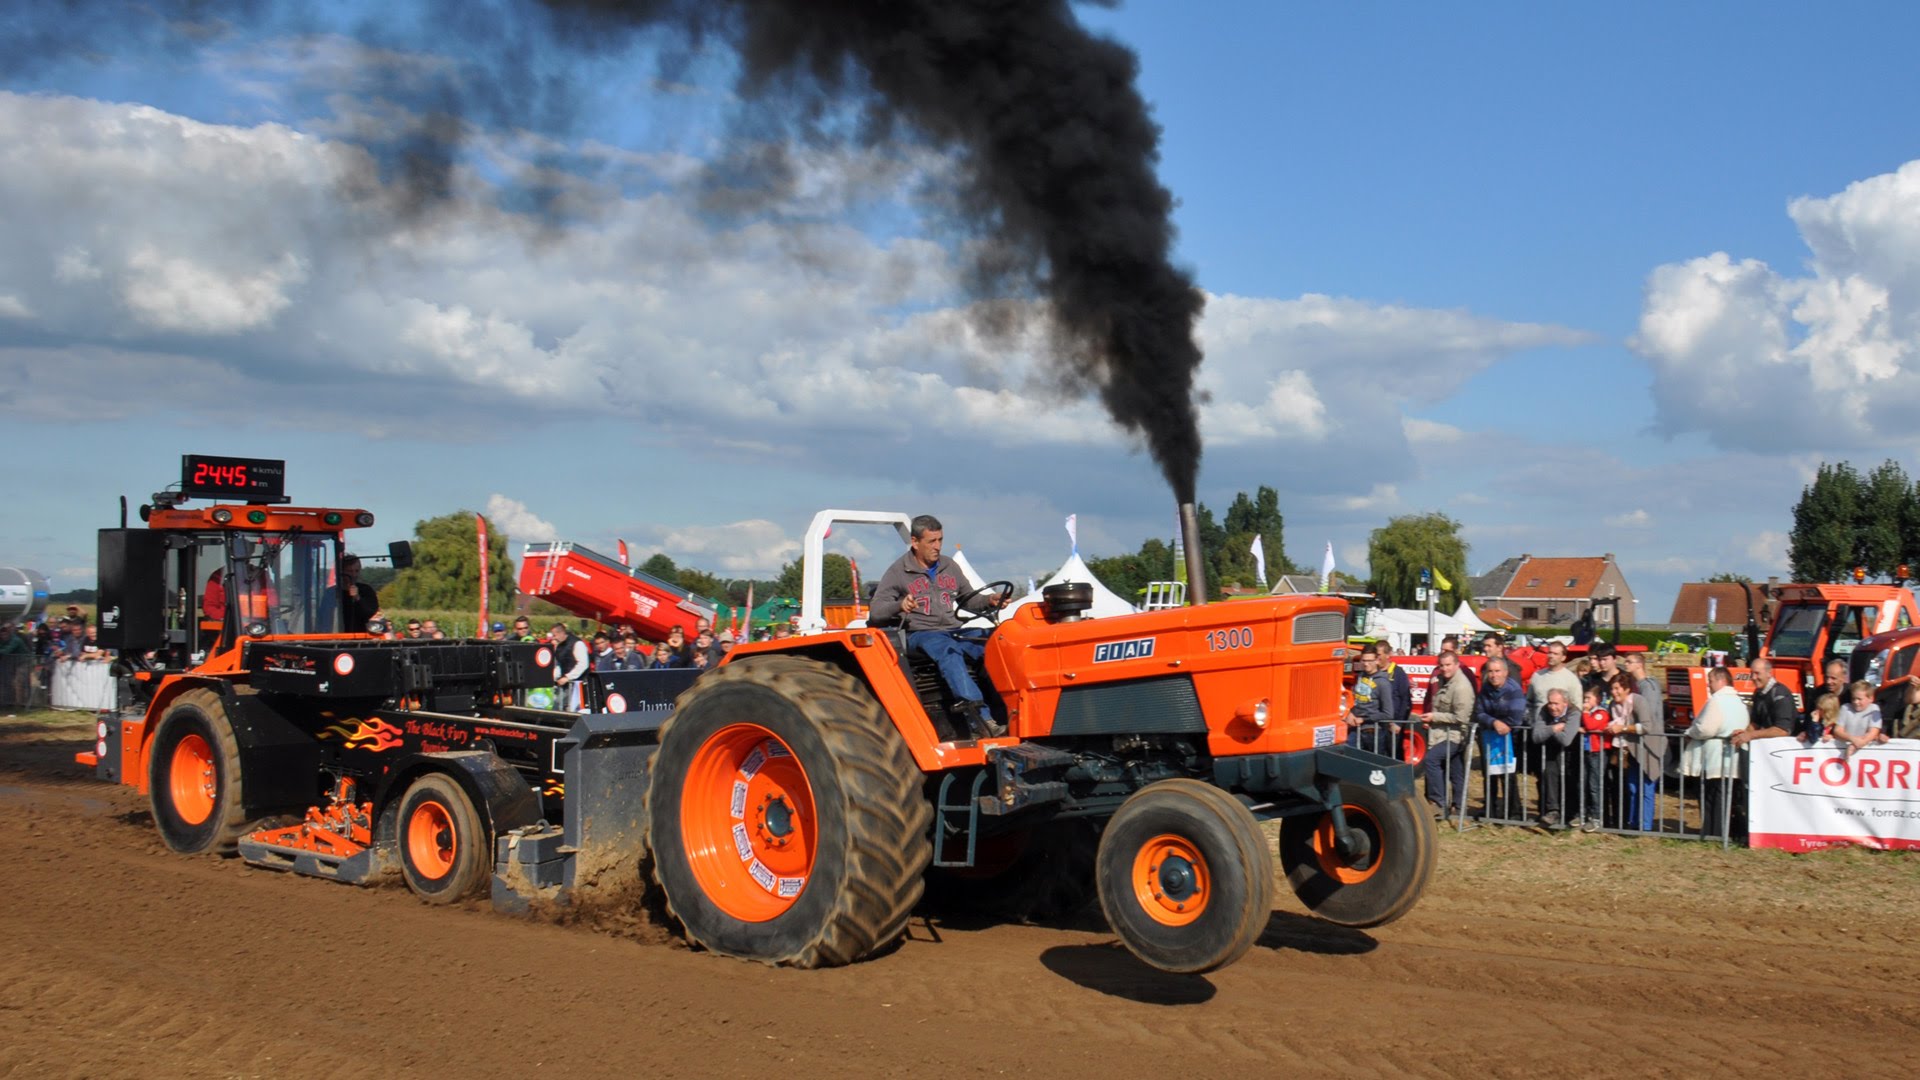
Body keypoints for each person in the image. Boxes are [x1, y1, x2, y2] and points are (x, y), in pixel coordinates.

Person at [869, 514, 1007, 739]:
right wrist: (899, 605)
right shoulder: (898, 571)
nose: (938, 546)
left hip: (953, 630)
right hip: (919, 634)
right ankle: (980, 719)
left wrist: (990, 599)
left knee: (994, 641)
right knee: (947, 648)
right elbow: (876, 612)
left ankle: (1008, 708)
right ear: (915, 542)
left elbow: (969, 600)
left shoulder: (949, 566)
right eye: (931, 541)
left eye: (940, 540)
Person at [1684, 666, 1749, 838]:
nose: (1708, 685)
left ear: (1721, 681)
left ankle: (1713, 832)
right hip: (1733, 758)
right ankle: (1720, 832)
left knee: (1712, 797)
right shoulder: (1739, 702)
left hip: (1715, 759)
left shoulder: (1716, 701)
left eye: (1711, 681)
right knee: (1725, 798)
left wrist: (1690, 732)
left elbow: (1706, 728)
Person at [1607, 671, 1663, 830]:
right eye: (1612, 688)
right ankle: (1632, 823)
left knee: (1647, 788)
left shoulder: (1638, 701)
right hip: (1631, 751)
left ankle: (1645, 826)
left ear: (1626, 689)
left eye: (1617, 688)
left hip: (1648, 750)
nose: (1614, 692)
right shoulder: (1613, 705)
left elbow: (1646, 726)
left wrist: (1622, 728)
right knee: (1632, 787)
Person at [1424, 650, 1476, 818]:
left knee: (1431, 760)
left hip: (1456, 736)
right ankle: (1459, 806)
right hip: (1441, 733)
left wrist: (1434, 717)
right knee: (1456, 771)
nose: (1444, 669)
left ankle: (1438, 802)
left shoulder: (1462, 687)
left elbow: (1461, 717)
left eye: (1448, 665)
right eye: (1442, 665)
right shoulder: (1441, 680)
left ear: (1456, 664)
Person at [1473, 658, 1527, 819]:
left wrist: (1502, 725)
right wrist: (1494, 722)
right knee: (1489, 774)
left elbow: (1516, 717)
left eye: (1497, 671)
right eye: (1490, 671)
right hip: (1490, 734)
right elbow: (1479, 712)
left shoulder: (1514, 690)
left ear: (1505, 672)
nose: (1494, 675)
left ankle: (1513, 812)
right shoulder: (1485, 689)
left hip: (1510, 737)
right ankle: (1490, 809)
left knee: (1508, 775)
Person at [1530, 688, 1580, 829]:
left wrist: (1548, 730)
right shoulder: (1544, 710)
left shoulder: (1574, 712)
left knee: (1571, 781)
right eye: (1550, 703)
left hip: (1573, 752)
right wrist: (1555, 728)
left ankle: (1572, 814)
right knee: (1549, 775)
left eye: (1556, 704)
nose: (1552, 707)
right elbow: (1536, 736)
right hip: (1551, 752)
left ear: (1565, 703)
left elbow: (1566, 739)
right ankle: (1553, 811)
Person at [1732, 658, 1797, 747]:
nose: (1753, 678)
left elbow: (1782, 730)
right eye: (1752, 673)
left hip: (1785, 750)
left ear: (1769, 673)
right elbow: (1756, 723)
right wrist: (1743, 734)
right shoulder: (1758, 693)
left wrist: (1750, 735)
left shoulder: (1780, 694)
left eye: (1757, 673)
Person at [1347, 644, 1399, 753]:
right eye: (1364, 660)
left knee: (1375, 766)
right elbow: (1356, 701)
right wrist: (1350, 713)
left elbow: (1388, 713)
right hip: (1355, 729)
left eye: (1370, 661)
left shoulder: (1383, 682)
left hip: (1374, 731)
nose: (1366, 664)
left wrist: (1364, 719)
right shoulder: (1360, 677)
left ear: (1377, 660)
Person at [1799, 659, 1849, 741]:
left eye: (1833, 678)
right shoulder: (1817, 694)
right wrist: (1805, 732)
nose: (1828, 681)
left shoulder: (1850, 695)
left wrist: (1834, 735)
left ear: (1843, 678)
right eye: (1826, 677)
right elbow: (1809, 719)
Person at [1833, 681, 1884, 755]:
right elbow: (1837, 731)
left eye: (1859, 699)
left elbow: (1873, 732)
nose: (1856, 702)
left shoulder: (1874, 709)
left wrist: (1856, 745)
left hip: (1866, 753)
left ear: (1871, 698)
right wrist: (1853, 739)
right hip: (1843, 750)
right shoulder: (1845, 708)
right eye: (1853, 698)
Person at [549, 621, 591, 710]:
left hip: (579, 685)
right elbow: (560, 665)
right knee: (557, 705)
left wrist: (568, 677)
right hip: (567, 685)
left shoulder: (577, 644)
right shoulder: (560, 647)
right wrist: (551, 677)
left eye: (554, 635)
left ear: (561, 633)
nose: (553, 638)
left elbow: (583, 664)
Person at [337, 554, 379, 633]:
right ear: (341, 571)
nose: (353, 575)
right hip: (336, 634)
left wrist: (357, 598)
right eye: (349, 571)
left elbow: (371, 614)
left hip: (361, 636)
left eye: (356, 571)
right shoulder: (332, 593)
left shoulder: (366, 590)